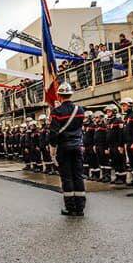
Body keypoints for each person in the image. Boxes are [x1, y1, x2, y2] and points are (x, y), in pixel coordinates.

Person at [49, 83, 86, 216]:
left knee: (67, 178)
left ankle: (70, 207)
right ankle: (80, 207)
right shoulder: (80, 110)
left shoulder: (56, 112)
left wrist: (52, 150)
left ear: (59, 95)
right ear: (71, 94)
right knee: (78, 176)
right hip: (77, 146)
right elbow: (79, 128)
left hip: (63, 147)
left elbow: (53, 133)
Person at [105, 104, 127, 185]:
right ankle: (118, 177)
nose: (107, 113)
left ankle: (122, 178)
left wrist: (120, 145)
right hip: (111, 145)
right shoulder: (110, 121)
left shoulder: (118, 121)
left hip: (117, 145)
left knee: (120, 161)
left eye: (109, 111)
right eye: (107, 111)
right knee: (115, 162)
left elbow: (121, 134)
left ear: (114, 111)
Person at [93, 110, 111, 182]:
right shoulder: (97, 126)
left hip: (103, 146)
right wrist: (95, 145)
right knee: (101, 161)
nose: (96, 119)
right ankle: (103, 175)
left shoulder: (105, 126)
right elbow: (95, 136)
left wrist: (107, 148)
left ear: (101, 118)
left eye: (97, 117)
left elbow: (107, 137)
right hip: (98, 146)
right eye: (95, 118)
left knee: (106, 161)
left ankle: (107, 176)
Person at [82, 112, 99, 180]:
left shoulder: (93, 125)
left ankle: (96, 175)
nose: (84, 119)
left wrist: (94, 145)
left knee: (94, 160)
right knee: (86, 160)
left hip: (91, 145)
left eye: (86, 118)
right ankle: (87, 173)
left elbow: (95, 136)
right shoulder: (84, 126)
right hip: (86, 146)